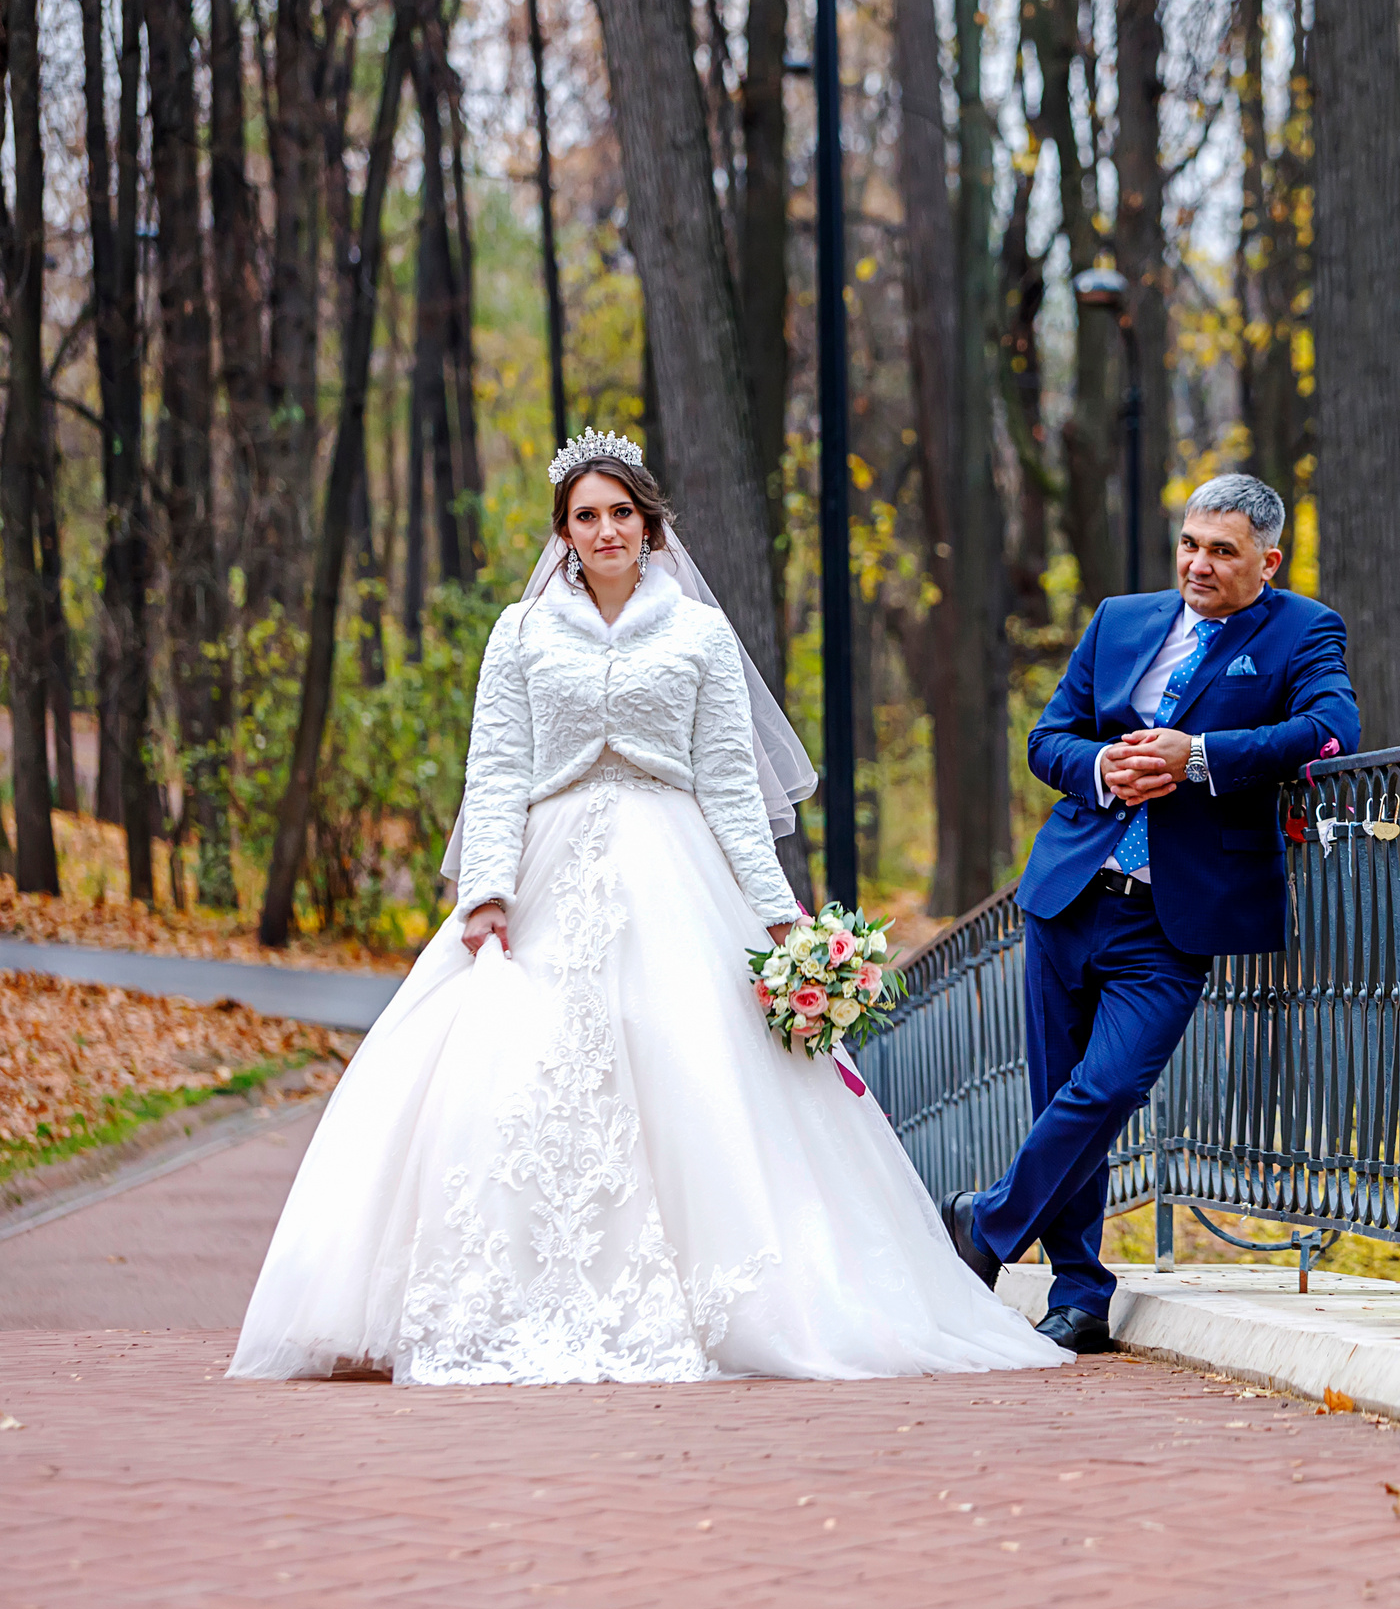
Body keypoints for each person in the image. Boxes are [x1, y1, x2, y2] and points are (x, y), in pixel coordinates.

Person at [229, 431, 1064, 1386]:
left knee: (692, 1066)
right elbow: (497, 767)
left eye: (621, 511)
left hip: (678, 870)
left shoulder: (700, 635)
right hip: (545, 876)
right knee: (516, 1080)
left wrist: (777, 913)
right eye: (586, 515)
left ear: (649, 523)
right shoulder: (521, 630)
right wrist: (487, 893)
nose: (605, 529)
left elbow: (727, 785)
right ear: (565, 533)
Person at [939, 473, 1359, 1353]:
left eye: (1223, 551)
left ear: (1267, 561)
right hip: (1067, 889)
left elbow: (1331, 729)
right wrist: (1103, 768)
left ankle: (987, 1223)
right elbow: (1047, 739)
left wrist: (1197, 755)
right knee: (1062, 1094)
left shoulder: (1303, 631)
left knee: (1113, 1085)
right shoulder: (1120, 619)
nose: (1198, 565)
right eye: (1191, 544)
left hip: (1174, 913)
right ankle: (1082, 1290)